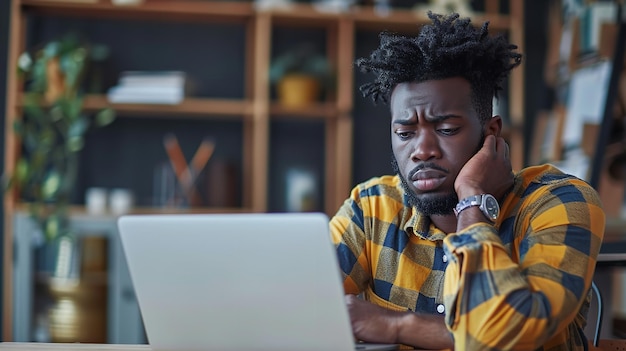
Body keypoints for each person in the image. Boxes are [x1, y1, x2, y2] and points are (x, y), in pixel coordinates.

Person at [330, 11, 606, 350]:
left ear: (491, 133)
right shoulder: (371, 208)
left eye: (446, 130)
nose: (422, 151)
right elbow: (297, 309)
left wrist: (472, 200)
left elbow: (510, 336)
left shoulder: (560, 203)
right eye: (405, 133)